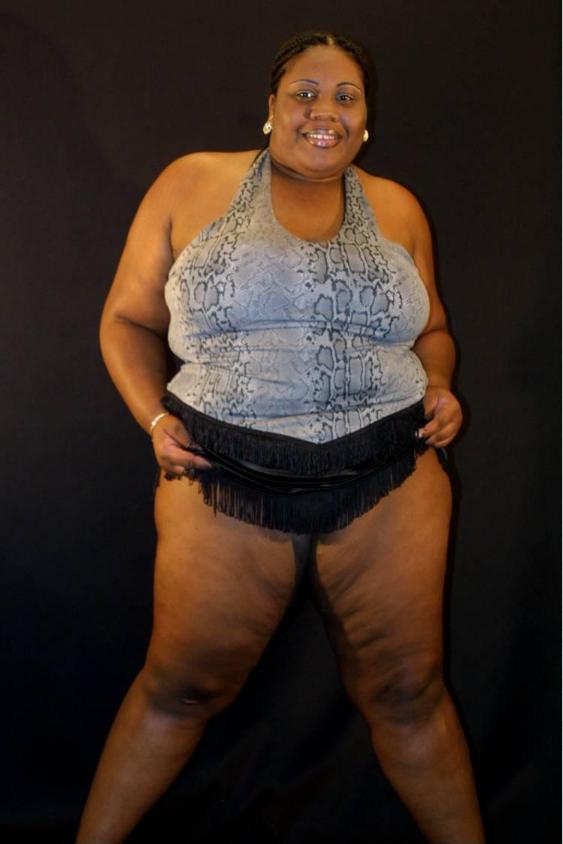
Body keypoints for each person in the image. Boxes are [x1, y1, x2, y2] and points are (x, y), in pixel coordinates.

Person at [77, 31, 486, 844]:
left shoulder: (399, 207)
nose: (323, 110)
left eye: (344, 96)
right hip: (221, 474)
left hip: (390, 476)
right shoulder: (191, 181)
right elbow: (125, 319)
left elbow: (432, 328)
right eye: (304, 92)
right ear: (271, 108)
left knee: (408, 694)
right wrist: (154, 419)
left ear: (365, 119)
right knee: (180, 688)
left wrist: (440, 386)